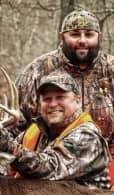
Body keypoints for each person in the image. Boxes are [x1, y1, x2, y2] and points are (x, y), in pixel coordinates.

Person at [14, 10, 114, 185]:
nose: (82, 40)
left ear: (99, 36)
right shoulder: (36, 71)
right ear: (61, 37)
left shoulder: (110, 69)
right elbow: (19, 125)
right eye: (75, 34)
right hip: (47, 167)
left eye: (89, 35)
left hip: (104, 167)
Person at [0, 70, 110, 189]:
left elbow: (49, 168)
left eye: (60, 97)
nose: (53, 104)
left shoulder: (87, 137)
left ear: (77, 101)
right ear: (39, 104)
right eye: (47, 99)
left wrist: (8, 146)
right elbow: (3, 168)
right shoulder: (34, 133)